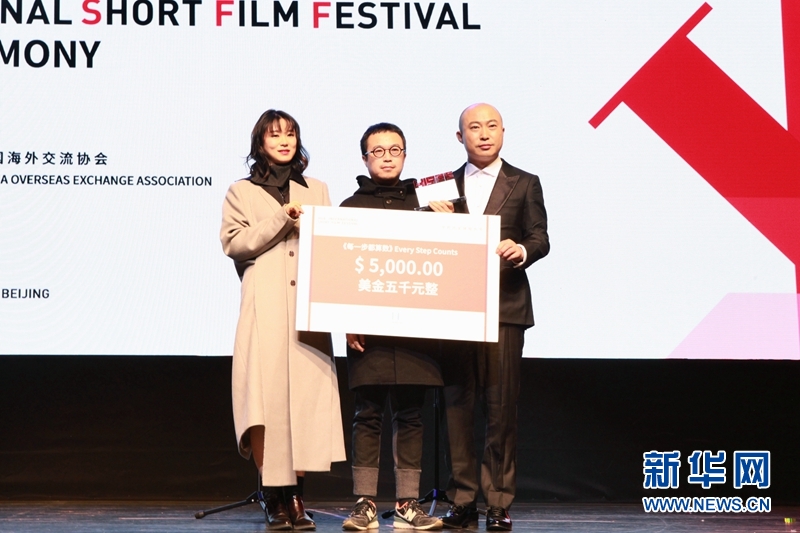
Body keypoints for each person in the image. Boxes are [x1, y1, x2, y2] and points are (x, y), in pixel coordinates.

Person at [220, 109, 346, 531]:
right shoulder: (241, 191)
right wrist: (283, 218)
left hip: (307, 307)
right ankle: (273, 496)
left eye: (291, 134)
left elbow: (332, 248)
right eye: (275, 135)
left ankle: (296, 498)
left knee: (305, 402)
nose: (284, 141)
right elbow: (235, 244)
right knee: (264, 399)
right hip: (264, 304)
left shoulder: (317, 189)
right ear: (260, 143)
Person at [439, 104, 549, 531]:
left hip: (505, 307)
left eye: (491, 126)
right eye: (474, 127)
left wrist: (521, 250)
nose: (483, 134)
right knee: (457, 407)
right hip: (454, 309)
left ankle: (498, 502)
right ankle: (462, 499)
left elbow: (539, 236)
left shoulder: (525, 182)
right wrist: (429, 218)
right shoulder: (441, 186)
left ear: (503, 131)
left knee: (500, 409)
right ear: (459, 136)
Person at [340, 123, 451, 531]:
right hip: (367, 331)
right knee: (367, 414)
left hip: (416, 331)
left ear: (405, 155)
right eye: (378, 151)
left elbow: (449, 262)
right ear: (364, 158)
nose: (387, 157)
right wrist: (347, 320)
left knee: (411, 416)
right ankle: (364, 503)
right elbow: (340, 270)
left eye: (395, 150)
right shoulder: (349, 208)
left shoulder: (428, 204)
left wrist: (450, 223)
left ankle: (407, 504)